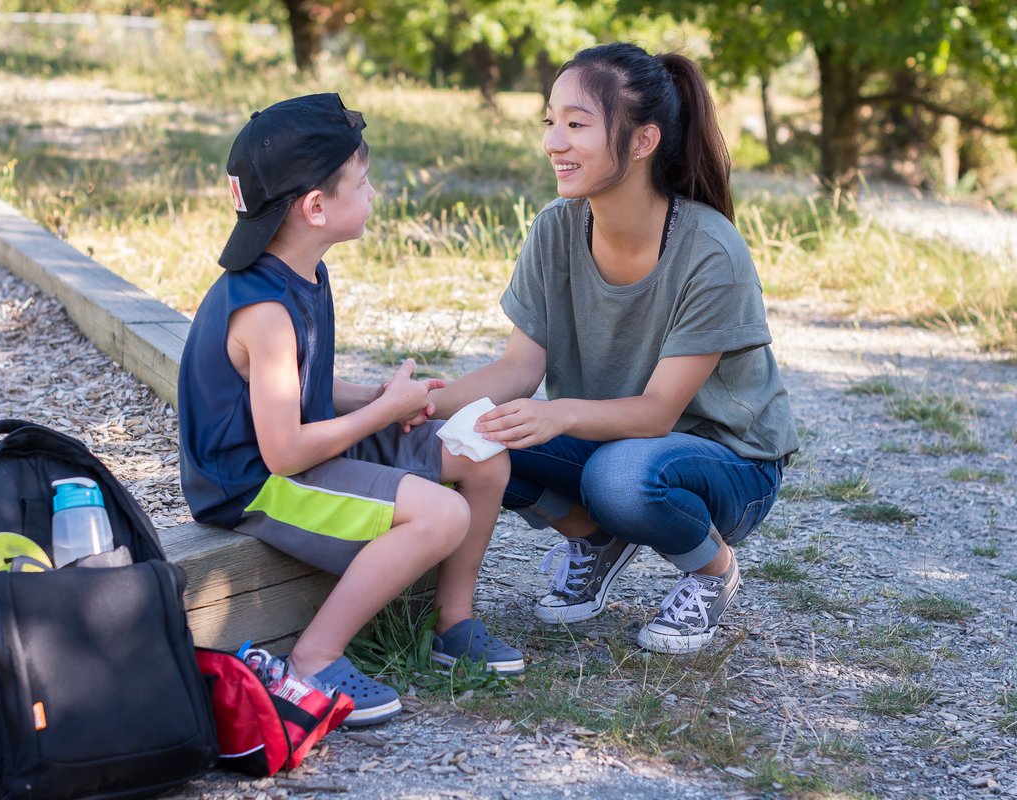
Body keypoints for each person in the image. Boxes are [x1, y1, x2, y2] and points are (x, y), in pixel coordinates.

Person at [430, 43, 798, 654]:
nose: (554, 141)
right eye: (549, 121)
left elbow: (656, 414)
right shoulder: (555, 227)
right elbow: (518, 369)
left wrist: (560, 414)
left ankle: (713, 569)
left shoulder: (711, 251)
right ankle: (597, 539)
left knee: (618, 476)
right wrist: (414, 402)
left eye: (577, 124)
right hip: (615, 441)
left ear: (643, 140)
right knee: (477, 433)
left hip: (728, 461)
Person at [177, 93, 522, 727]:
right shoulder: (265, 311)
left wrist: (379, 403)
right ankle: (313, 657)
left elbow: (304, 390)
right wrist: (380, 412)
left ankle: (452, 623)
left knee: (483, 451)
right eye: (362, 184)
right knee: (441, 514)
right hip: (257, 485)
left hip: (305, 450)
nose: (372, 195)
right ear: (316, 207)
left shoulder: (303, 270)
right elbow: (282, 452)